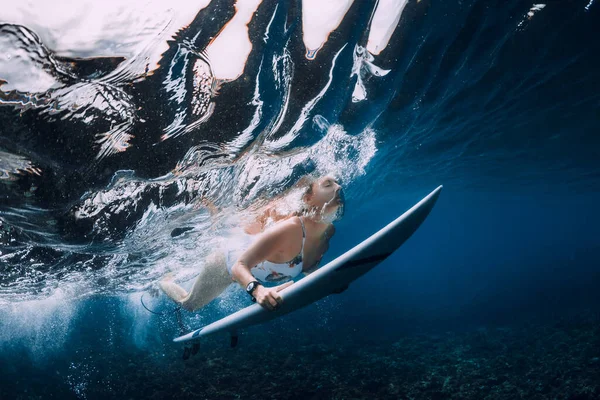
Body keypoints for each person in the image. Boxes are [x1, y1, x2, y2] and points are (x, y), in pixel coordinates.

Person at [158, 175, 344, 312]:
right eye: (328, 184)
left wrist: (327, 282)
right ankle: (163, 281)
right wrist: (257, 290)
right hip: (228, 262)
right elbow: (239, 266)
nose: (338, 187)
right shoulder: (292, 228)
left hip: (254, 264)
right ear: (308, 198)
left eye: (337, 182)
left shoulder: (328, 231)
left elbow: (305, 267)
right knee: (190, 304)